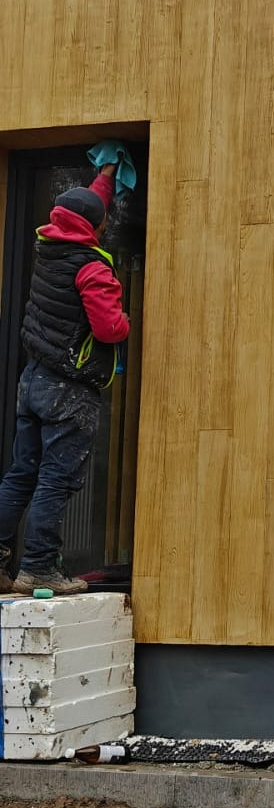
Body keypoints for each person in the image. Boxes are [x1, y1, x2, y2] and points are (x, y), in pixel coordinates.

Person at [0, 165, 129, 595]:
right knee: (56, 479)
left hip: (32, 380)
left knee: (21, 475)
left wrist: (105, 179)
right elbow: (110, 329)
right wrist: (126, 321)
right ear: (96, 225)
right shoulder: (92, 269)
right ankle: (38, 567)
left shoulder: (47, 247)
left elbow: (80, 211)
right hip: (68, 389)